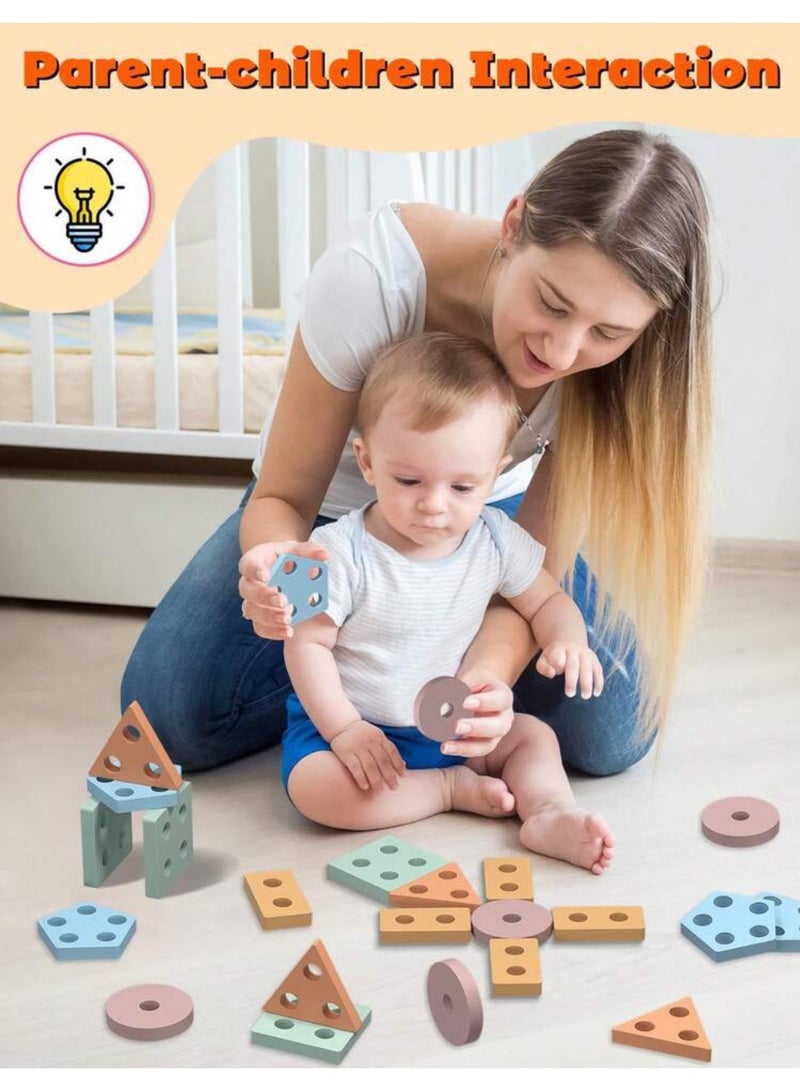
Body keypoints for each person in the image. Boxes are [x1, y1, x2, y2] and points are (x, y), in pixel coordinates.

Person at [121, 128, 711, 782]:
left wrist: (483, 681)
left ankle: (396, 656)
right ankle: (362, 667)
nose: (564, 352)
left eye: (607, 332)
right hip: (330, 523)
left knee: (614, 735)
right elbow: (284, 497)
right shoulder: (371, 279)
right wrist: (285, 579)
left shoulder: (620, 371)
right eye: (551, 303)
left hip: (480, 523)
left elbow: (534, 562)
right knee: (171, 716)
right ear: (513, 225)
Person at [281, 333, 614, 873]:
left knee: (533, 737)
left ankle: (549, 812)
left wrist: (567, 640)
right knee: (314, 790)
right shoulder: (334, 550)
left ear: (496, 473)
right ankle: (445, 790)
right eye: (409, 480)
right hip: (359, 731)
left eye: (462, 488)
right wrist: (344, 729)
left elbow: (547, 601)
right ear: (367, 461)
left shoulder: (495, 538)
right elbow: (305, 646)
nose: (434, 505)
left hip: (453, 727)